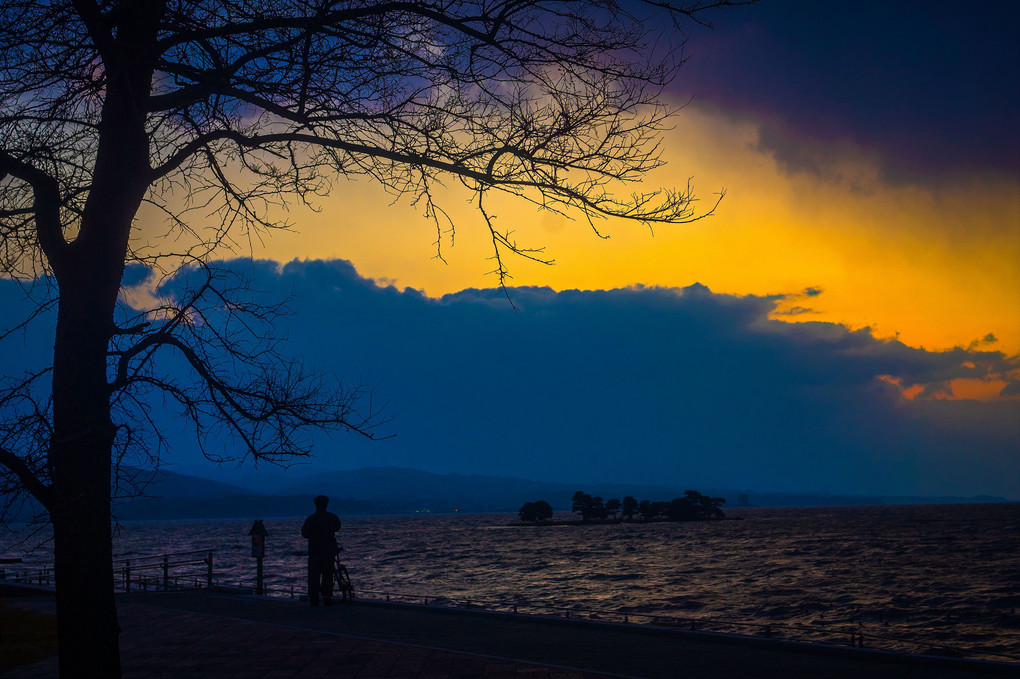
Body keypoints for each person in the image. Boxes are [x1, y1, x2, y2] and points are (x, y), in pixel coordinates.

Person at [301, 495, 342, 606]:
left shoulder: (311, 519)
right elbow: (338, 527)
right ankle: (327, 597)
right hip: (328, 551)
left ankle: (314, 598)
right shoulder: (332, 517)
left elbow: (304, 533)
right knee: (327, 575)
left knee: (314, 575)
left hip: (314, 552)